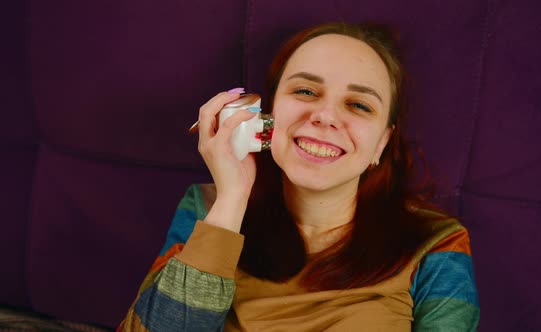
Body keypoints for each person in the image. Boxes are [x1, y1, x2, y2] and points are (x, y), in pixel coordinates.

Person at [118, 22, 479, 331]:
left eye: (359, 105)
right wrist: (232, 201)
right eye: (305, 91)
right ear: (269, 114)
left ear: (381, 143)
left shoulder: (438, 242)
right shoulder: (208, 206)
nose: (324, 115)